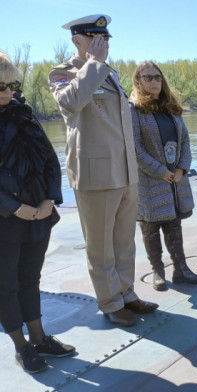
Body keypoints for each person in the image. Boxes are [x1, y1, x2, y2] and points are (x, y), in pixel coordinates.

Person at [49, 14, 158, 328]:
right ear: (77, 40)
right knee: (100, 245)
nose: (102, 44)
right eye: (95, 39)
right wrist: (93, 64)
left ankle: (127, 293)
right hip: (95, 176)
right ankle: (110, 303)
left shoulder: (109, 75)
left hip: (124, 174)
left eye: (106, 39)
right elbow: (70, 103)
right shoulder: (63, 73)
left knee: (124, 241)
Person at [0, 51, 76, 373]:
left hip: (37, 215)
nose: (7, 91)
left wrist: (49, 199)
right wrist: (14, 207)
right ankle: (21, 346)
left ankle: (40, 337)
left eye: (12, 84)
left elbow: (49, 160)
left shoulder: (25, 115)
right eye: (0, 85)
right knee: (6, 285)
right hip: (6, 218)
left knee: (31, 279)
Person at [129, 61, 197, 291]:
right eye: (148, 77)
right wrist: (160, 171)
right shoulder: (133, 110)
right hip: (149, 180)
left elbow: (185, 141)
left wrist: (181, 168)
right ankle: (157, 271)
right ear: (138, 81)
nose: (154, 82)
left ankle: (181, 269)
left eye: (157, 77)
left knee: (173, 223)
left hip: (175, 177)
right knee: (150, 226)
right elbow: (134, 148)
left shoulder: (170, 108)